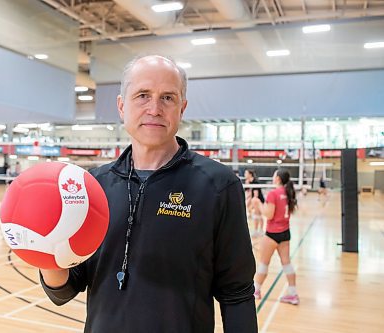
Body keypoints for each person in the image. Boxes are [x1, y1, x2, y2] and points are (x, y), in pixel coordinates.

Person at [40, 55, 257, 332]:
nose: (154, 108)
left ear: (183, 108)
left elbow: (236, 293)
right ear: (121, 106)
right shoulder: (92, 186)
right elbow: (66, 289)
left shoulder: (218, 186)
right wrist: (44, 253)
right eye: (143, 95)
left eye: (168, 98)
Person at [253, 169, 299, 305]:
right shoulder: (288, 192)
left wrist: (258, 204)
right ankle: (293, 294)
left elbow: (269, 214)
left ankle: (256, 290)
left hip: (272, 233)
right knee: (287, 263)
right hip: (285, 232)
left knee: (263, 263)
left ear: (277, 178)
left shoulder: (273, 193)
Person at [244, 169, 265, 237]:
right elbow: (249, 192)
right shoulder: (249, 182)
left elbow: (256, 195)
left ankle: (260, 230)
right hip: (254, 200)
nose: (244, 174)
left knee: (258, 215)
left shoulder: (255, 182)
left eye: (246, 173)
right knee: (257, 215)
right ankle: (257, 230)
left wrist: (252, 204)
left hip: (259, 200)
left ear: (250, 174)